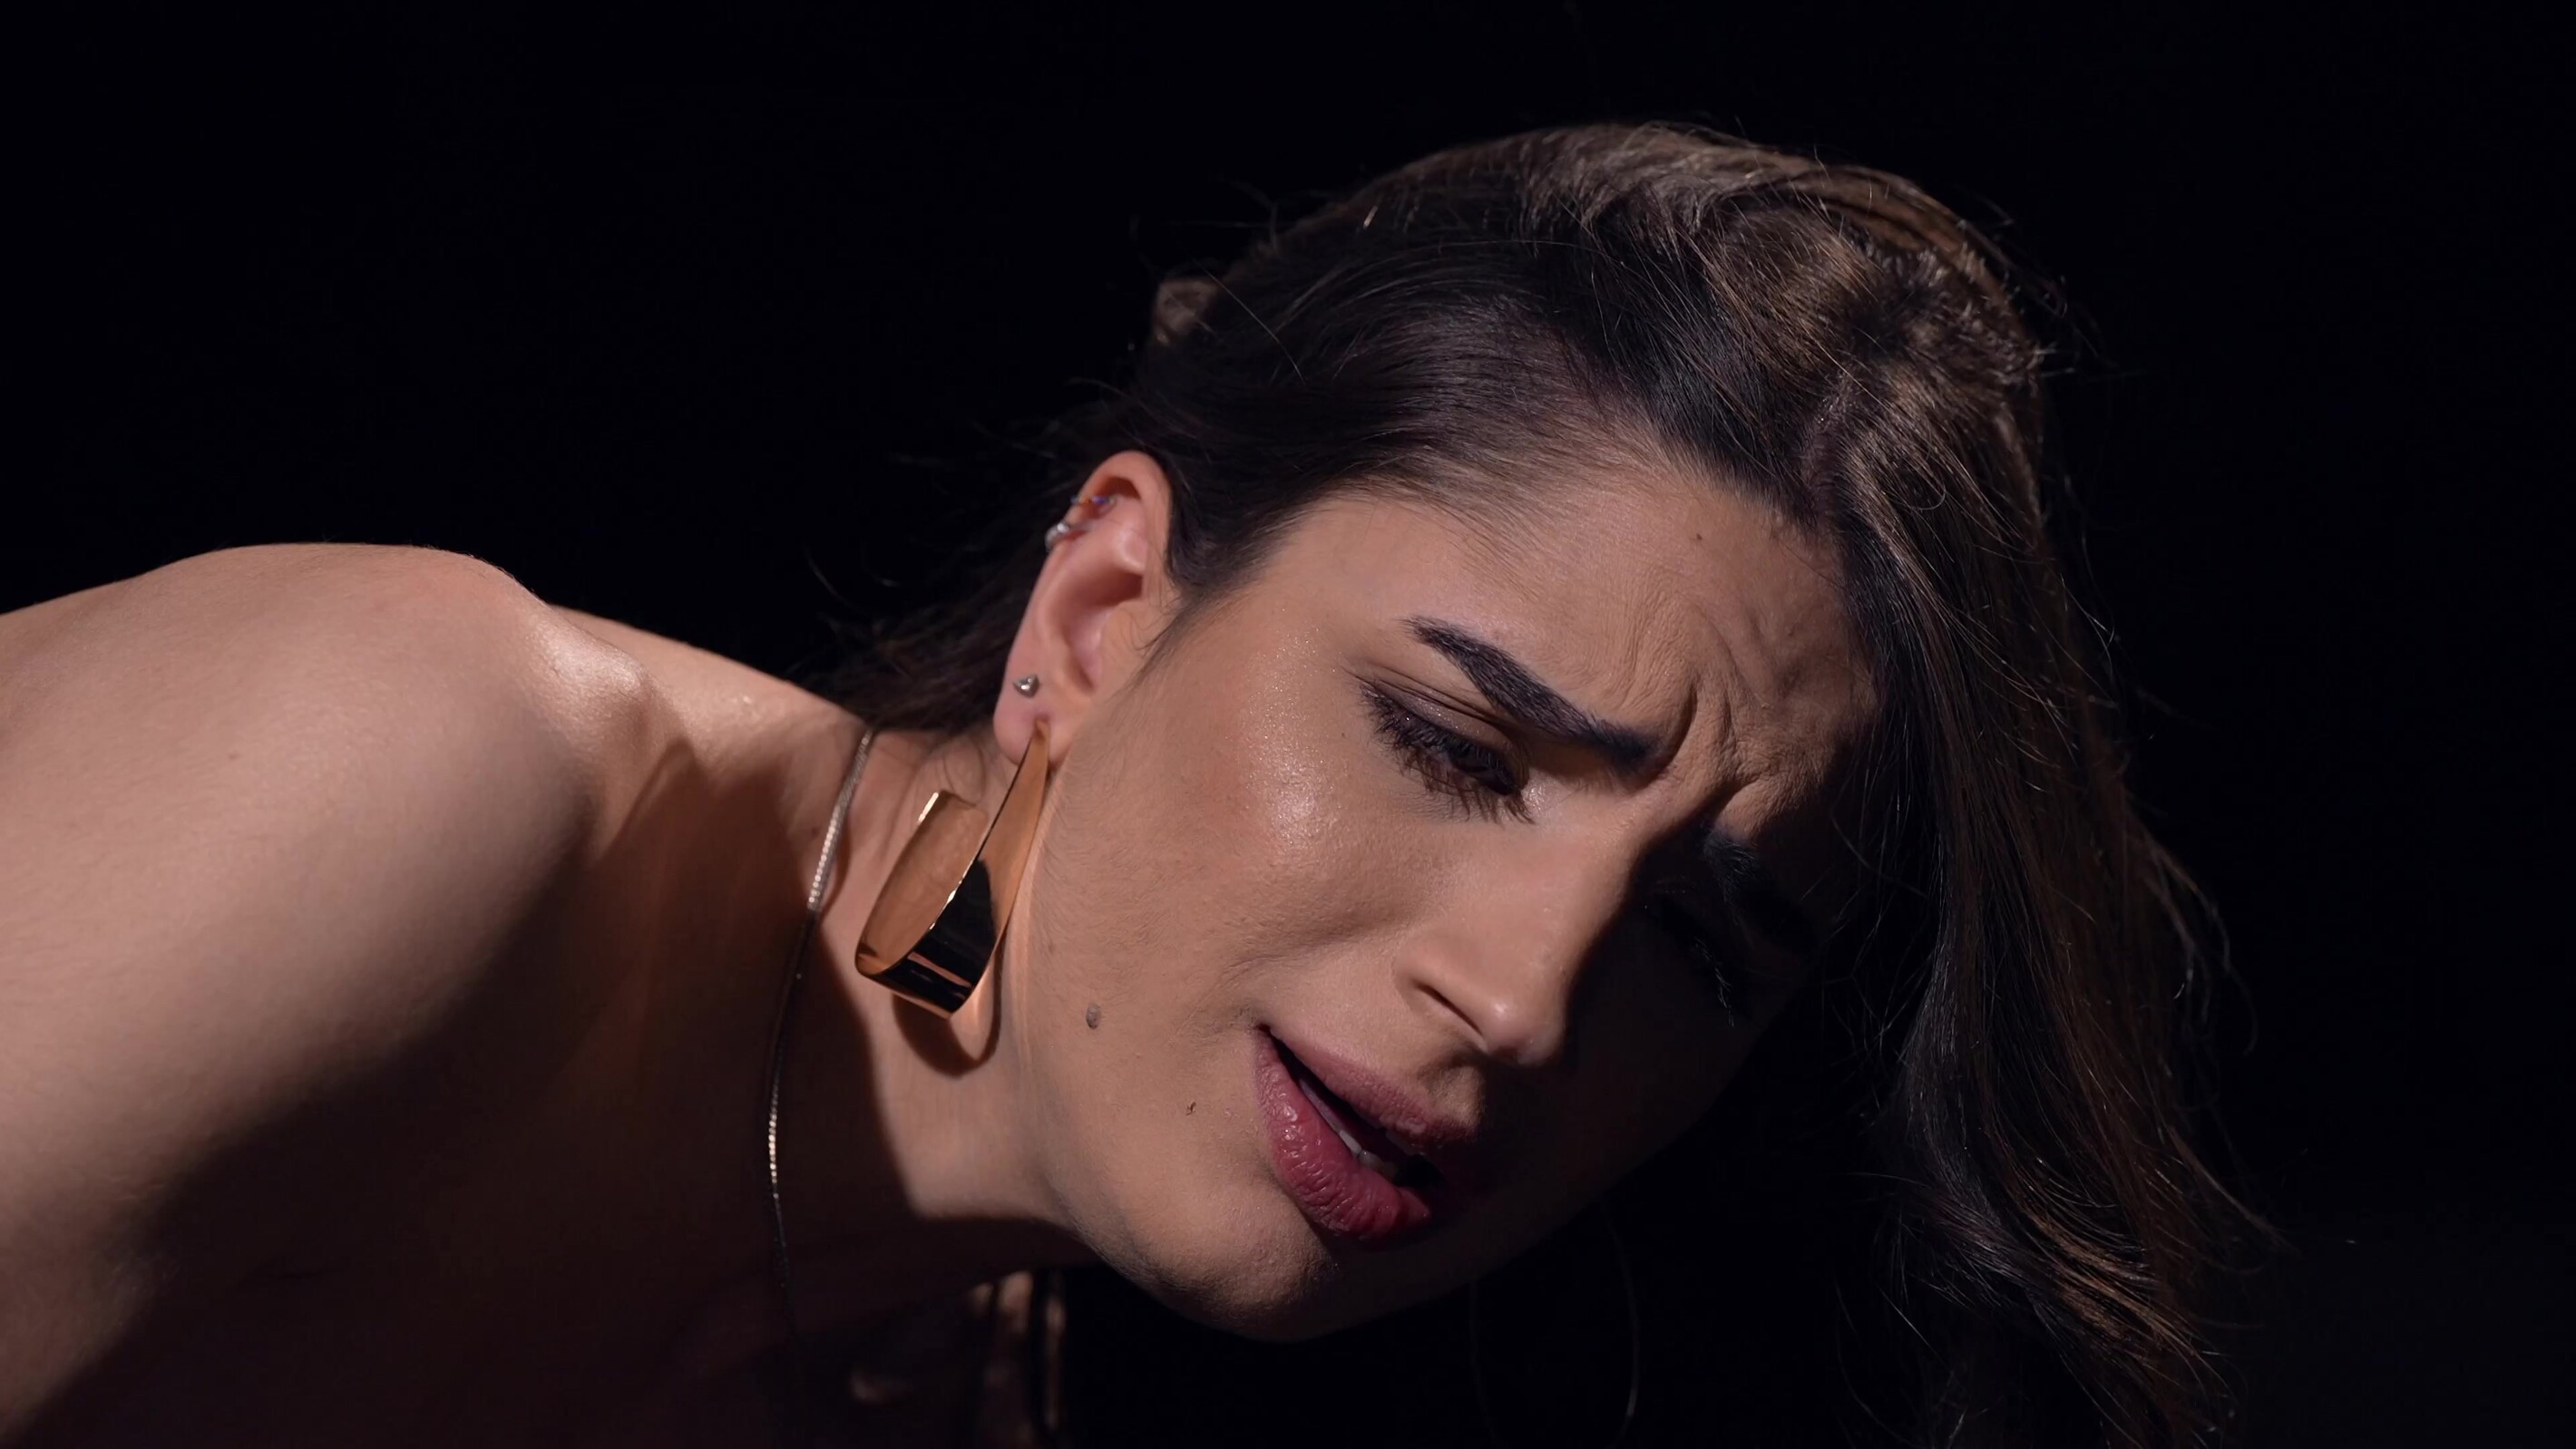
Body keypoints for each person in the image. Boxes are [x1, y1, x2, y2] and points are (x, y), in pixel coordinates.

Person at [0, 122, 2239, 1447]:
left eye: (1700, 945)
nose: (1526, 999)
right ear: (1097, 610)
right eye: (1456, 746)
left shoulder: (967, 1378)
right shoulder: (417, 766)